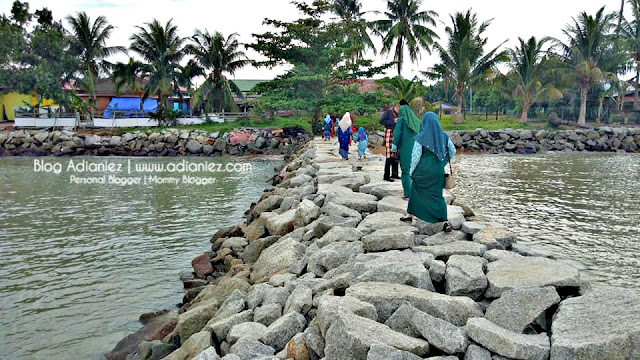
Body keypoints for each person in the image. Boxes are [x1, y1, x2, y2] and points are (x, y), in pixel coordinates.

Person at [400, 112, 456, 232]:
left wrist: (411, 172)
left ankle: (409, 216)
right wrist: (443, 162)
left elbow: (415, 157)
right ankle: (445, 222)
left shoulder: (421, 137)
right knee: (437, 195)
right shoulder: (444, 136)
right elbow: (452, 150)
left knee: (415, 191)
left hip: (422, 171)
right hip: (438, 171)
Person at [391, 103, 421, 198]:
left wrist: (394, 147)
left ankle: (408, 193)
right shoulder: (416, 121)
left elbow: (397, 135)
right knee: (414, 171)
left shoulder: (401, 121)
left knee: (405, 171)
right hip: (417, 149)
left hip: (405, 149)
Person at [379, 103, 401, 182]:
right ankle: (386, 175)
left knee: (395, 154)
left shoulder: (398, 114)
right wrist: (393, 121)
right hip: (389, 134)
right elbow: (381, 121)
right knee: (389, 155)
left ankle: (395, 174)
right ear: (395, 107)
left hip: (395, 135)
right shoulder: (388, 112)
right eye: (399, 109)